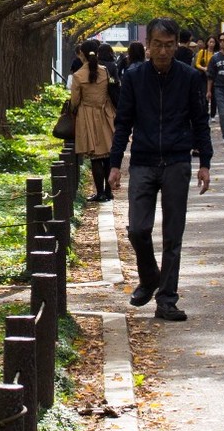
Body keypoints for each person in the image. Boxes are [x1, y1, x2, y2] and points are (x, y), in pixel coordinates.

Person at [108, 19, 212, 323]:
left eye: (170, 45)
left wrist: (205, 162)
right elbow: (123, 122)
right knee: (138, 229)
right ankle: (150, 276)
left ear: (176, 45)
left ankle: (167, 299)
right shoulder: (134, 77)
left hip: (177, 161)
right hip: (143, 159)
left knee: (172, 235)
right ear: (148, 45)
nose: (164, 50)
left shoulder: (190, 77)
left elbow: (200, 122)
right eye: (158, 44)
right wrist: (115, 163)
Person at [69, 45, 120, 201]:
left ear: (82, 55)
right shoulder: (105, 71)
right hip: (106, 114)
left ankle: (100, 193)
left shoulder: (78, 75)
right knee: (107, 156)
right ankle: (108, 191)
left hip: (88, 116)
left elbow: (75, 101)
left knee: (95, 157)